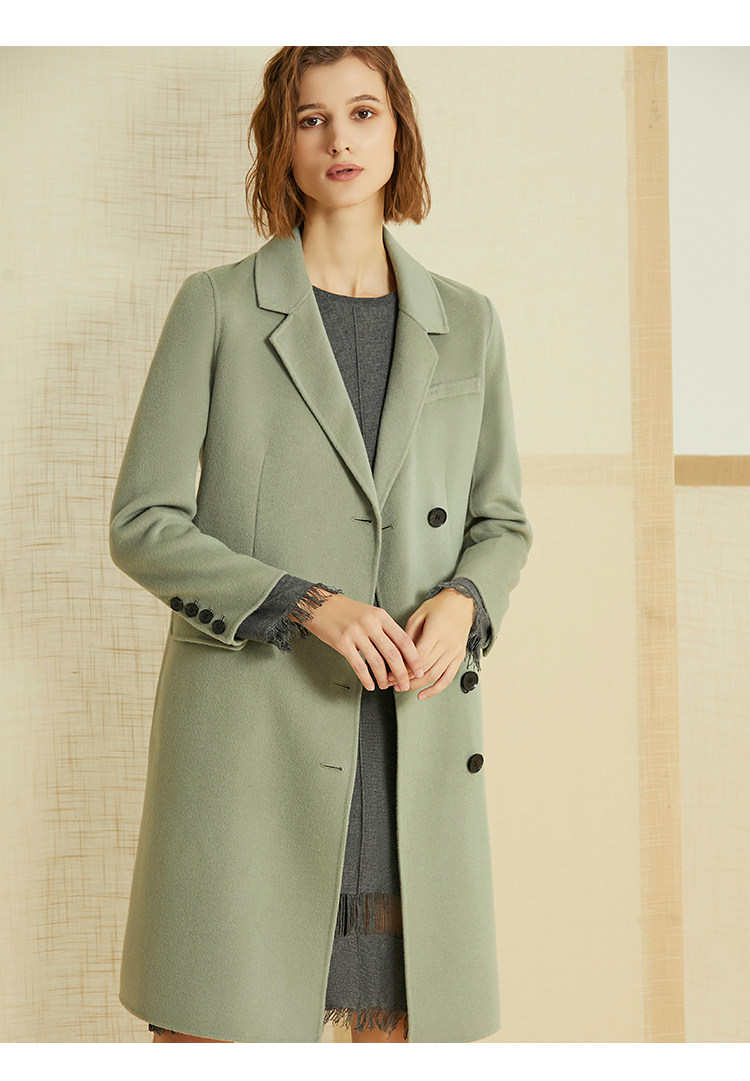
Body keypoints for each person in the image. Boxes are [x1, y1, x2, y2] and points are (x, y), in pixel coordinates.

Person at [110, 45, 533, 1044]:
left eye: (363, 111)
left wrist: (466, 601)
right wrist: (306, 602)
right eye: (311, 118)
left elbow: (502, 520)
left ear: (398, 130)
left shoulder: (468, 323)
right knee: (212, 1029)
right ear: (283, 144)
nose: (340, 137)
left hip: (406, 739)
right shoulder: (217, 306)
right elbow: (143, 521)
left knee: (398, 1031)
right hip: (254, 738)